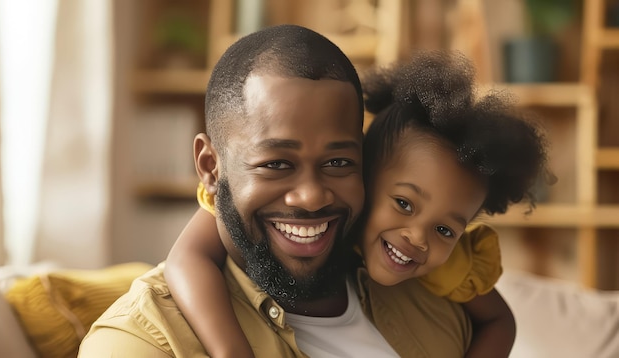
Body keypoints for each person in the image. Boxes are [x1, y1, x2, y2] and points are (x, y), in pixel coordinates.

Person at [79, 25, 493, 357]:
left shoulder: (426, 292)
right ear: (210, 167)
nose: (311, 196)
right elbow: (187, 256)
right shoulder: (141, 344)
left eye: (337, 163)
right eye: (276, 164)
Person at [163, 51, 550, 357]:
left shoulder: (451, 264)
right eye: (403, 203)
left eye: (445, 229)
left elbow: (500, 320)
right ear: (362, 175)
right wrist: (231, 351)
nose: (418, 237)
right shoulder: (320, 204)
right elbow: (186, 257)